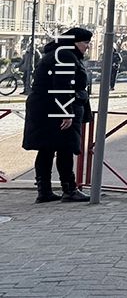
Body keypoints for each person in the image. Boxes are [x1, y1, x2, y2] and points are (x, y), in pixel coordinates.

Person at [22, 27, 93, 203]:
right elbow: (62, 85)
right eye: (85, 42)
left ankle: (44, 191)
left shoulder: (57, 53)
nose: (87, 47)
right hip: (54, 110)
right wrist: (66, 113)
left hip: (44, 108)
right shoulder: (65, 56)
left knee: (46, 149)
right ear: (75, 42)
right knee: (64, 149)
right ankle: (69, 189)